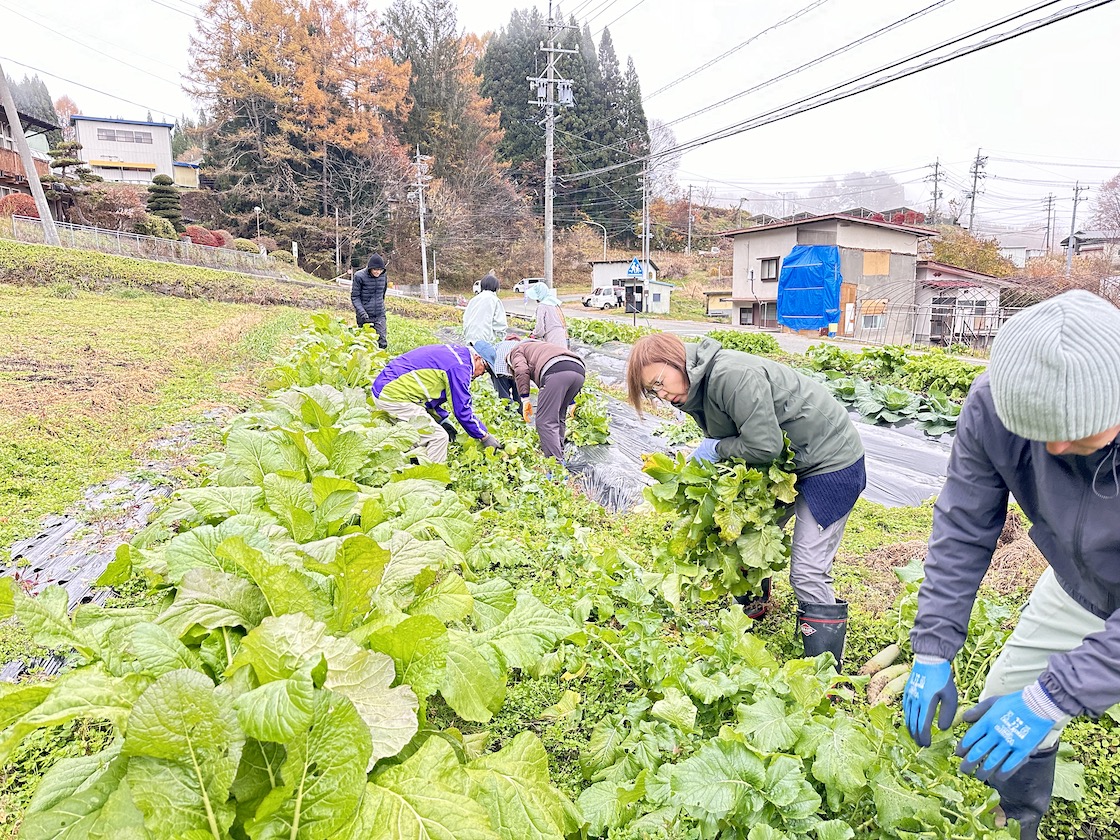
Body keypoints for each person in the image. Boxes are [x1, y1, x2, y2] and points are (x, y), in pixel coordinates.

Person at [903, 290, 1120, 840]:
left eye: (1079, 433)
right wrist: (933, 646)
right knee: (1010, 698)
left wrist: (1058, 695)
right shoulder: (993, 403)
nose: (1054, 450)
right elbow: (963, 527)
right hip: (1078, 583)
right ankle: (1017, 822)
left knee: (1046, 698)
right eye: (1038, 434)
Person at [627, 333, 866, 665]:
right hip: (787, 464)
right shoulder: (695, 390)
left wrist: (717, 449)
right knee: (740, 534)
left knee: (808, 570)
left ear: (677, 359)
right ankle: (755, 609)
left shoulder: (731, 376)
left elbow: (764, 446)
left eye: (659, 382)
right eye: (653, 392)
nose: (663, 394)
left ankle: (826, 669)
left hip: (830, 461)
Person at [371, 343, 500, 463]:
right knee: (438, 437)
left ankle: (407, 463)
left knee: (418, 434)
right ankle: (431, 482)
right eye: (485, 368)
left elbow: (429, 395)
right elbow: (462, 410)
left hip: (385, 388)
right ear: (477, 358)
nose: (483, 374)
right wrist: (484, 436)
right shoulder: (460, 367)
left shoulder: (456, 353)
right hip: (393, 396)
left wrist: (442, 419)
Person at [476, 338, 585, 462]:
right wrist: (571, 401)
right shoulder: (535, 347)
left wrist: (525, 399)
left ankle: (555, 467)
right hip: (578, 369)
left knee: (544, 421)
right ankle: (559, 455)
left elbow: (521, 370)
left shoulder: (515, 351)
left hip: (556, 371)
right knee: (558, 416)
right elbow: (562, 376)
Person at [351, 253, 389, 349]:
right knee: (366, 343)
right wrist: (362, 313)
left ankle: (381, 362)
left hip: (379, 314)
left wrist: (381, 307)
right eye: (375, 270)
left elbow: (382, 293)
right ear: (370, 268)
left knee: (382, 341)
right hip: (364, 315)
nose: (377, 272)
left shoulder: (383, 276)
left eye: (380, 270)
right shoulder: (359, 276)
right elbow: (355, 297)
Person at [462, 272, 508, 346]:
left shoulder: (474, 299)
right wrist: (502, 339)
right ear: (496, 287)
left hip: (470, 338)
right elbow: (500, 324)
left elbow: (466, 319)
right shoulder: (495, 300)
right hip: (485, 340)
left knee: (473, 356)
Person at [526, 282, 568, 347]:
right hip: (562, 337)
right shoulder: (554, 303)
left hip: (552, 338)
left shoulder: (542, 306)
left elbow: (540, 329)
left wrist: (533, 334)